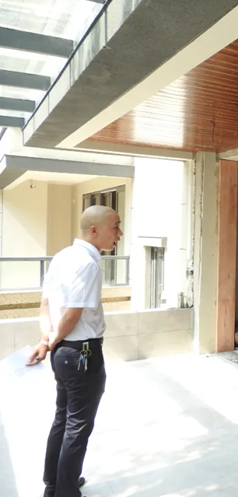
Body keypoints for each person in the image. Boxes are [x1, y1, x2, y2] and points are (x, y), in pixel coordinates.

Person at [26, 205, 122, 497]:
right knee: (77, 426)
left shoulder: (62, 256)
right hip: (82, 354)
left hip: (64, 355)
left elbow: (45, 304)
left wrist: (46, 340)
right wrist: (51, 341)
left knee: (63, 418)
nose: (119, 233)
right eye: (115, 226)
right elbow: (73, 312)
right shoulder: (88, 264)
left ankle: (54, 484)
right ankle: (65, 491)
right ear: (94, 230)